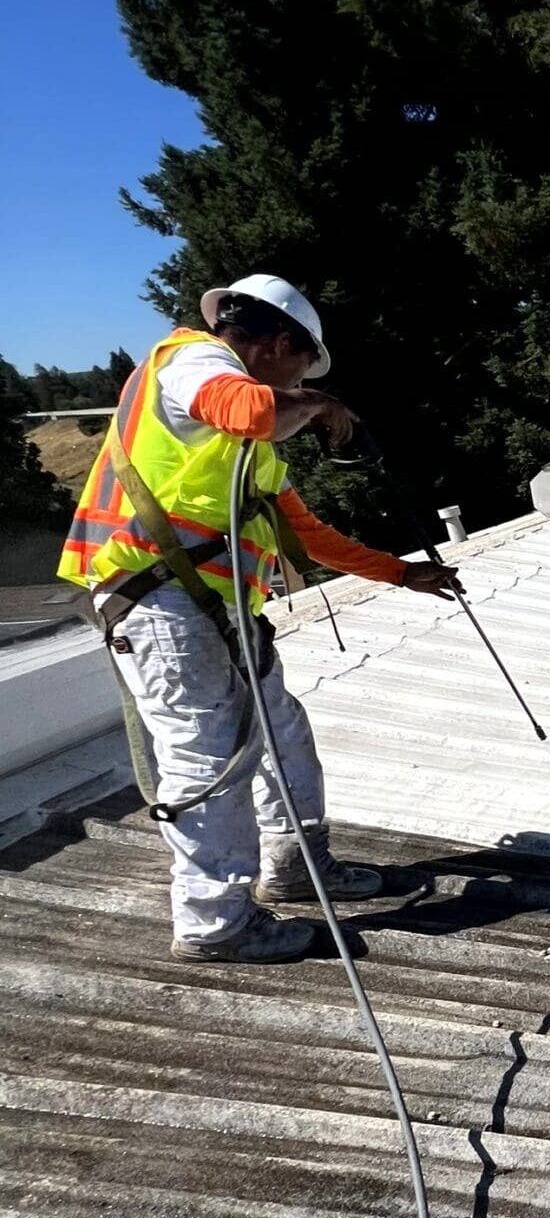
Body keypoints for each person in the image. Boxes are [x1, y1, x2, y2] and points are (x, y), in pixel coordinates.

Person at [57, 273, 462, 963]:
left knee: (281, 729)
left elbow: (307, 535)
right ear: (277, 344)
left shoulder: (246, 453)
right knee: (207, 759)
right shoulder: (192, 360)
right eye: (302, 366)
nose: (301, 384)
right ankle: (214, 921)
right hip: (158, 603)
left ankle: (298, 864)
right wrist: (319, 404)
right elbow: (246, 407)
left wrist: (401, 572)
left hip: (211, 613)